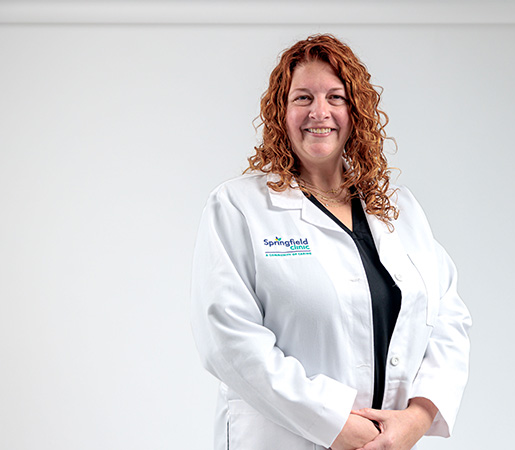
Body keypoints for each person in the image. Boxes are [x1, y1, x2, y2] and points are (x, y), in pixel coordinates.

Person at [190, 34, 471, 450]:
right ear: (280, 114)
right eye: (302, 98)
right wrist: (334, 423)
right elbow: (228, 340)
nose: (319, 112)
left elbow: (448, 315)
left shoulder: (398, 210)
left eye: (335, 97)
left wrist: (418, 415)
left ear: (355, 112)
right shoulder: (239, 207)